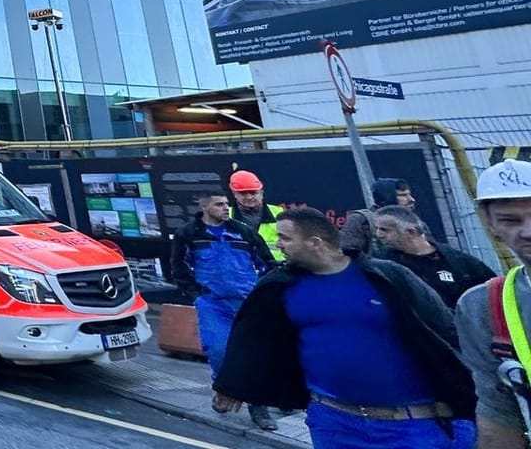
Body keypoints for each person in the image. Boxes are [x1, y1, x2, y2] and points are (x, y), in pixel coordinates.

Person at [214, 206, 474, 449]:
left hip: (411, 426)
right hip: (333, 424)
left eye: (286, 238)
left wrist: (468, 408)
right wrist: (233, 384)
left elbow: (446, 329)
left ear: (315, 243)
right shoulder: (279, 287)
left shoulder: (388, 275)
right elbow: (253, 337)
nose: (279, 244)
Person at [170, 189, 276, 431]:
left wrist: (261, 291)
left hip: (247, 303)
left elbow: (267, 262)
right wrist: (197, 295)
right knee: (218, 350)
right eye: (219, 204)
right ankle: (224, 388)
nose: (225, 208)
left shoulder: (242, 231)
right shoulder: (189, 234)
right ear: (204, 207)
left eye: (226, 203)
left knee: (254, 354)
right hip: (213, 304)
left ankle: (258, 407)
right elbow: (178, 267)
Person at [454, 159, 531, 449]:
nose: (528, 231)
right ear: (491, 224)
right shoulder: (485, 306)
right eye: (511, 220)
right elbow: (499, 414)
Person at [374, 206, 495, 311]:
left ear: (411, 232)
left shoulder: (459, 262)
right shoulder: (381, 264)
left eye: (385, 230)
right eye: (377, 229)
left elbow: (495, 292)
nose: (379, 235)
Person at [340, 178, 410, 257]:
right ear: (387, 196)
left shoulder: (411, 221)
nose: (411, 199)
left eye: (408, 195)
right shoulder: (361, 219)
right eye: (402, 195)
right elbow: (348, 255)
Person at [228, 170, 288, 263]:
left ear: (262, 193)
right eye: (243, 193)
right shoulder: (226, 216)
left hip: (277, 269)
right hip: (242, 271)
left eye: (253, 192)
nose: (249, 197)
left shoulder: (280, 213)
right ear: (234, 194)